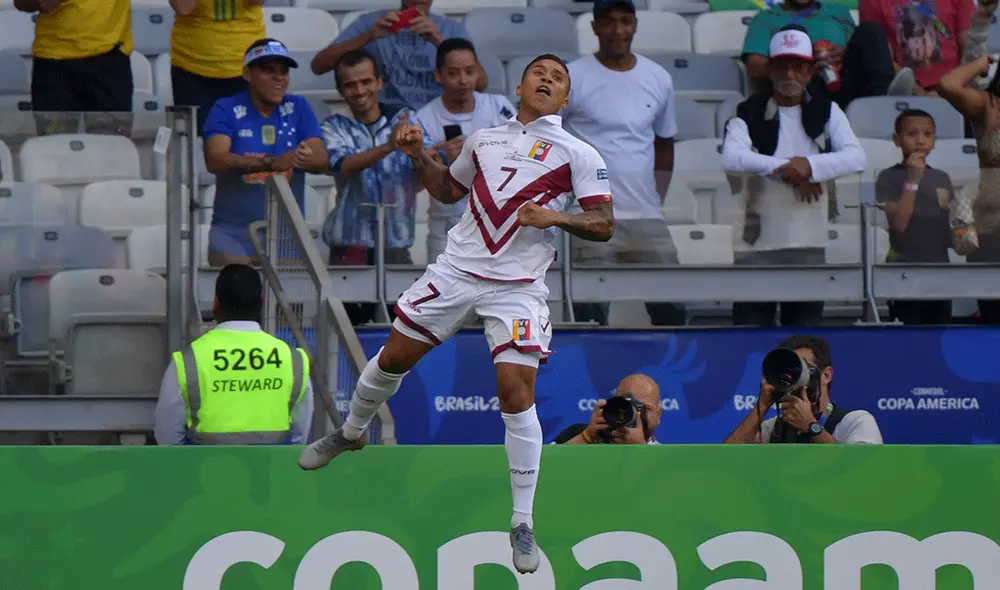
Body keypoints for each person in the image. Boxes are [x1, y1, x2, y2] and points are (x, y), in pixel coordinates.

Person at [298, 54, 615, 575]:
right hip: (456, 271)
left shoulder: (579, 153)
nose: (546, 79)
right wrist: (419, 156)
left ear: (565, 99)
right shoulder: (484, 140)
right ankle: (352, 432)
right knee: (393, 358)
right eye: (538, 73)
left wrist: (554, 217)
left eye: (557, 78)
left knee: (516, 393)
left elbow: (603, 223)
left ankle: (521, 521)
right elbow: (448, 188)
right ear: (519, 87)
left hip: (517, 287)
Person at [723, 25, 867, 327]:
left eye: (798, 67)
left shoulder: (828, 111)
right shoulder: (748, 111)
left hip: (808, 241)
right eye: (782, 66)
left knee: (804, 335)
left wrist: (809, 166)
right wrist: (790, 170)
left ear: (811, 71)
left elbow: (857, 158)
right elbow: (732, 158)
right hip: (756, 243)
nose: (790, 75)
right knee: (750, 331)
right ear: (769, 69)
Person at [562, 0, 687, 327]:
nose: (618, 31)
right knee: (590, 316)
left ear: (635, 25)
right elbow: (547, 137)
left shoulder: (658, 78)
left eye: (626, 21)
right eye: (609, 22)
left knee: (672, 310)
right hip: (588, 216)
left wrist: (655, 198)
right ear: (594, 27)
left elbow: (664, 142)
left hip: (646, 215)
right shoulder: (571, 76)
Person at [320, 49, 434, 325]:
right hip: (350, 246)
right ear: (340, 90)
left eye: (366, 81)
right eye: (350, 84)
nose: (360, 90)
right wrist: (389, 147)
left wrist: (426, 154)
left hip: (396, 244)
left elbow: (428, 165)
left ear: (379, 82)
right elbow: (341, 164)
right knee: (349, 330)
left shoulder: (406, 119)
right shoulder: (334, 126)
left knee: (402, 331)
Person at [202, 39, 329, 267]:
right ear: (247, 73)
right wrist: (271, 163)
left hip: (288, 234)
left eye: (284, 71)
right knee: (239, 285)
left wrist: (304, 157)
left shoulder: (299, 107)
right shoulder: (225, 107)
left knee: (294, 289)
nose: (279, 78)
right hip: (233, 233)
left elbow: (321, 159)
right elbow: (215, 159)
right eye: (269, 70)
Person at [154, 264, 314, 445]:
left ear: (216, 303)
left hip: (205, 462)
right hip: (272, 462)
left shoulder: (188, 362)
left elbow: (167, 436)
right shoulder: (293, 360)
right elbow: (300, 435)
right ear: (262, 305)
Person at [416, 38, 516, 264]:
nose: (463, 80)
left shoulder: (499, 106)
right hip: (448, 226)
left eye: (469, 72)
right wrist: (442, 158)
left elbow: (523, 154)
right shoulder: (423, 119)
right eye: (453, 73)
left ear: (478, 71)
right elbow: (417, 180)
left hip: (499, 221)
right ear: (438, 75)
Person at [937, 0, 1000, 324]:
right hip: (991, 229)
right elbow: (948, 84)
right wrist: (981, 63)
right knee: (992, 326)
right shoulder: (990, 105)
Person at [310, 0, 487, 111]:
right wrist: (369, 36)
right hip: (386, 120)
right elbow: (318, 66)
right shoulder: (371, 23)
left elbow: (480, 84)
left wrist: (440, 42)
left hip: (439, 117)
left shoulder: (451, 29)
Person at [876, 108, 966, 325]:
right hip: (904, 272)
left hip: (939, 271)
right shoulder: (888, 177)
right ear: (897, 140)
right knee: (909, 333)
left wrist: (963, 236)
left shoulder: (941, 177)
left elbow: (948, 226)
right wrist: (913, 181)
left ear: (934, 140)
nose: (920, 140)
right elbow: (899, 224)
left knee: (939, 332)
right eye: (911, 134)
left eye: (927, 134)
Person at [742, 0, 914, 108]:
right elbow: (755, 67)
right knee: (795, 35)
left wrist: (843, 53)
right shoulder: (764, 19)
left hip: (846, 82)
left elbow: (863, 50)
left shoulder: (838, 12)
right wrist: (801, 59)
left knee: (871, 30)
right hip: (805, 87)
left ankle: (883, 99)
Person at [724, 334, 883, 444]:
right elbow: (728, 462)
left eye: (803, 367)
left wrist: (811, 427)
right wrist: (762, 406)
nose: (795, 376)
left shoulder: (855, 422)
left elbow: (862, 471)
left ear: (826, 375)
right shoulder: (772, 429)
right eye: (788, 370)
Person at [16, 0, 134, 135]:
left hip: (109, 61)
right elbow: (20, 3)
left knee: (112, 145)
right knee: (53, 144)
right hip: (53, 64)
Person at [168, 0, 265, 133]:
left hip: (246, 65)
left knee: (248, 139)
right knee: (195, 140)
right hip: (192, 66)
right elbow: (184, 8)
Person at [860, 0, 973, 95]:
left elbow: (970, 43)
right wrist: (918, 93)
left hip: (957, 86)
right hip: (905, 90)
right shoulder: (872, 2)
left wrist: (953, 89)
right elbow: (884, 59)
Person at [551, 374, 662, 444]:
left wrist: (641, 449)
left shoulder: (666, 458)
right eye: (626, 406)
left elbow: (663, 475)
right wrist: (586, 438)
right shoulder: (578, 433)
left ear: (658, 415)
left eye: (644, 408)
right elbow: (546, 466)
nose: (635, 414)